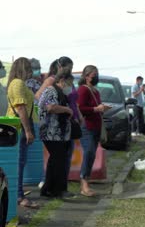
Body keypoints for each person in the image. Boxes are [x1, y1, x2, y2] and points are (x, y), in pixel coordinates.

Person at [6, 57, 39, 208]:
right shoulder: (18, 83)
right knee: (19, 162)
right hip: (19, 126)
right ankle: (18, 196)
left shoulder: (16, 83)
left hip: (19, 126)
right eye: (29, 69)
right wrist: (28, 130)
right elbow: (20, 108)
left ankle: (18, 192)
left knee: (20, 162)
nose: (31, 72)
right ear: (23, 69)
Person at [38, 71, 73, 198]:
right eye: (69, 83)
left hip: (57, 133)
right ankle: (59, 190)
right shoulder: (51, 90)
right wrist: (67, 110)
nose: (71, 86)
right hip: (50, 132)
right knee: (59, 160)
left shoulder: (59, 92)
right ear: (62, 80)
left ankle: (48, 189)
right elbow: (51, 107)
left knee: (55, 160)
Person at [77, 65, 111, 196]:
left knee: (92, 154)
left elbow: (96, 106)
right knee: (89, 152)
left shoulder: (95, 91)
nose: (95, 77)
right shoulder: (83, 90)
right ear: (86, 77)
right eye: (93, 75)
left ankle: (86, 180)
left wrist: (102, 108)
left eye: (97, 74)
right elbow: (80, 108)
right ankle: (84, 182)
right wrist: (96, 109)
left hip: (96, 125)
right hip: (87, 126)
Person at [64, 72, 84, 194]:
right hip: (66, 122)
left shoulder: (71, 87)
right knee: (64, 154)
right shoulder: (59, 88)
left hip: (74, 121)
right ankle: (61, 183)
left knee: (69, 153)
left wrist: (80, 115)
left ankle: (65, 182)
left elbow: (75, 103)